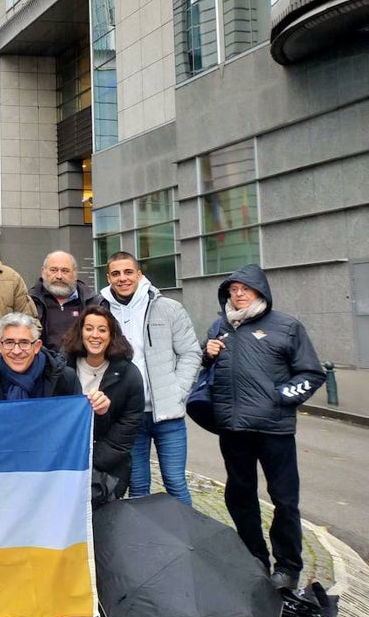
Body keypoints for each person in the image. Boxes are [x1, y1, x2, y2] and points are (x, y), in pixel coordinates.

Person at [205, 264, 324, 591]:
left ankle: (288, 567)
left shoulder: (286, 327)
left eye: (246, 288)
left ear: (261, 291)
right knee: (239, 496)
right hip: (233, 430)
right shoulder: (219, 327)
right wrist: (207, 355)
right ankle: (255, 557)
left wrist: (281, 397)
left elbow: (312, 374)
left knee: (284, 500)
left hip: (275, 430)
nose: (239, 294)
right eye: (233, 289)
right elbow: (207, 375)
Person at [99, 252, 202, 505]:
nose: (122, 278)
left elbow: (190, 353)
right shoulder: (102, 312)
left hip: (168, 416)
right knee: (137, 486)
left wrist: (177, 391)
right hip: (128, 416)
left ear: (139, 274)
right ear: (108, 277)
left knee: (175, 484)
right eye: (116, 273)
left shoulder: (168, 308)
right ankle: (144, 544)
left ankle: (184, 540)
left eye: (128, 272)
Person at [61, 306, 145, 505]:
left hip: (108, 469)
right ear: (80, 332)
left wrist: (88, 464)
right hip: (66, 463)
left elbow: (126, 432)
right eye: (89, 328)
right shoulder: (61, 367)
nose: (95, 335)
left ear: (111, 335)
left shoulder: (129, 375)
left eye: (102, 330)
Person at [0, 313, 80, 402]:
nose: (17, 351)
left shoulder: (64, 378)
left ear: (37, 346)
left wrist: (96, 406)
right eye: (9, 342)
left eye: (24, 343)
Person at [30, 251, 103, 353]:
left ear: (74, 273)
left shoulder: (93, 302)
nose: (59, 276)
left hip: (81, 365)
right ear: (43, 272)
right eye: (54, 270)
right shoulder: (31, 302)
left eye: (65, 271)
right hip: (45, 366)